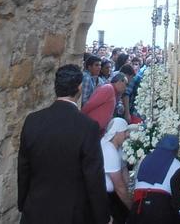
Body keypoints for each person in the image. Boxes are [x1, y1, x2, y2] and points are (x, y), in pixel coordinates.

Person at [17, 64, 111, 223]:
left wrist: (23, 203)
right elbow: (94, 177)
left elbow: (23, 168)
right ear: (79, 87)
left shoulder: (32, 121)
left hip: (35, 210)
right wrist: (102, 216)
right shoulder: (87, 127)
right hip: (71, 213)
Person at [128, 135, 180, 224]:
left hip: (139, 205)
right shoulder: (177, 164)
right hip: (160, 207)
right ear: (176, 150)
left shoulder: (143, 159)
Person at [101, 118, 137, 224]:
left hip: (114, 195)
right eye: (125, 132)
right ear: (116, 133)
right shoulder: (109, 150)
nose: (127, 135)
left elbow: (124, 169)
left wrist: (129, 191)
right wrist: (131, 207)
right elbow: (119, 187)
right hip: (106, 197)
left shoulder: (118, 147)